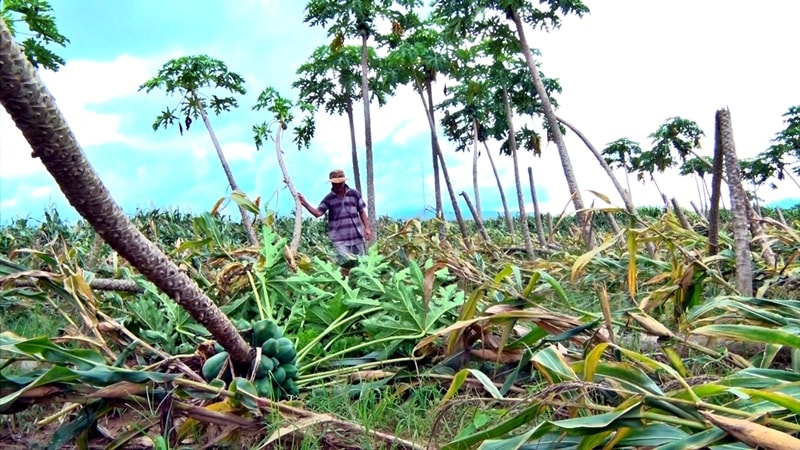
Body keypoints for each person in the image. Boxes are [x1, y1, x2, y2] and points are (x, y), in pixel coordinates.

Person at [297, 169, 372, 269]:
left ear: (344, 182)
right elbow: (318, 213)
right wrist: (304, 203)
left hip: (356, 237)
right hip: (339, 240)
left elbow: (361, 211)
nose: (337, 186)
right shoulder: (329, 198)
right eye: (334, 184)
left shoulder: (354, 194)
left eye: (339, 184)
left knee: (361, 267)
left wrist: (367, 228)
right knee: (345, 267)